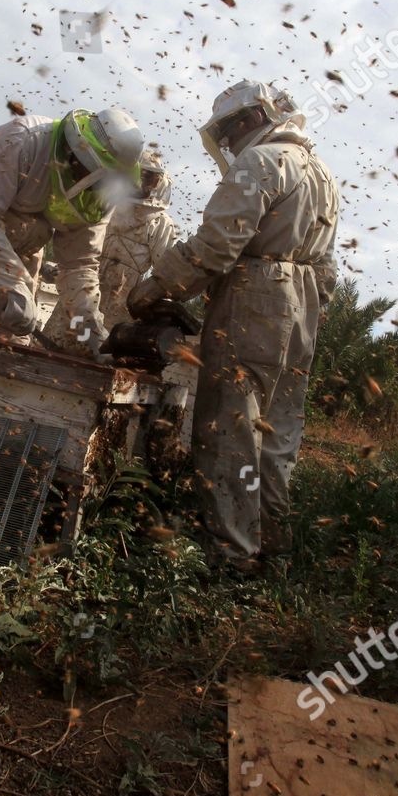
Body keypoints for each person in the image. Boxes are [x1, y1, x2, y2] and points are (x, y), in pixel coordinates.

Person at [128, 80, 339, 572]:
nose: (227, 139)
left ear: (250, 119)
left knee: (232, 428)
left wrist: (157, 286)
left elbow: (214, 247)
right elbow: (327, 267)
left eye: (230, 127)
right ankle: (273, 549)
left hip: (256, 295)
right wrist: (305, 310)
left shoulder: (261, 162)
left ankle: (231, 557)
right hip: (304, 303)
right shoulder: (322, 173)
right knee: (278, 431)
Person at [0, 108, 144, 356]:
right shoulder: (23, 139)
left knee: (14, 343)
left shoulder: (97, 199)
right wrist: (13, 283)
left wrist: (89, 333)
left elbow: (78, 268)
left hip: (24, 243)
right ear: (81, 153)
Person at [42, 150, 177, 344]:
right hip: (83, 288)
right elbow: (78, 245)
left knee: (101, 351)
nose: (148, 184)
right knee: (62, 342)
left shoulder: (161, 223)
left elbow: (165, 271)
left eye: (153, 179)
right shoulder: (104, 205)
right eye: (144, 177)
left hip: (121, 302)